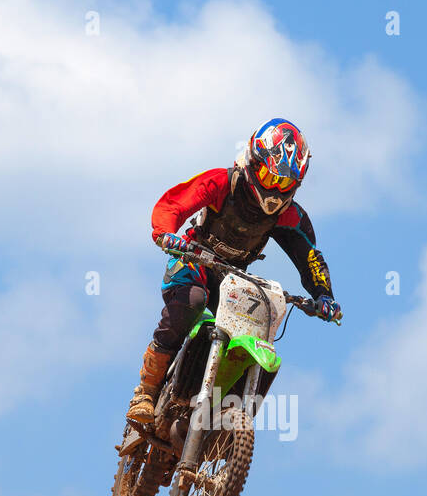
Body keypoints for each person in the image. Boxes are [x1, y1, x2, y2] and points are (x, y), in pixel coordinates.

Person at [126, 118, 341, 423]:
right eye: (269, 176)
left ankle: (220, 417)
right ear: (254, 162)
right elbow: (174, 204)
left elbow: (310, 258)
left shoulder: (289, 214)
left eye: (284, 184)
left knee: (255, 325)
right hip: (192, 260)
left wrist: (324, 296)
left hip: (232, 279)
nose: (275, 189)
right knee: (192, 301)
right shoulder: (222, 183)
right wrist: (166, 233)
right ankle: (146, 392)